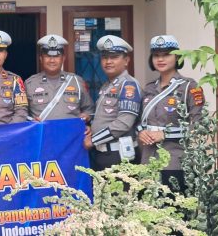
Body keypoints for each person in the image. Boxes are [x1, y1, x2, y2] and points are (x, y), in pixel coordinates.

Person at [138, 35, 204, 191]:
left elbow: (199, 125)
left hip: (175, 161)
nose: (160, 59)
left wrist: (165, 134)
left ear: (177, 57)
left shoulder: (189, 87)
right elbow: (140, 122)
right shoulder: (149, 88)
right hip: (148, 160)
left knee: (174, 209)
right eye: (156, 55)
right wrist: (141, 133)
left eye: (166, 54)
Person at [85, 35, 141, 170]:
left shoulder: (129, 85)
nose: (108, 61)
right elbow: (105, 118)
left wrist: (93, 140)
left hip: (119, 156)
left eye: (114, 57)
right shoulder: (107, 85)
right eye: (104, 57)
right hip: (103, 153)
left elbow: (123, 123)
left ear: (126, 60)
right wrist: (91, 129)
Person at [25, 34, 95, 121]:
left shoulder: (76, 81)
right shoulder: (30, 84)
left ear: (63, 59)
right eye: (47, 56)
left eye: (56, 56)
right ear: (41, 59)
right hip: (43, 134)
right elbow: (22, 113)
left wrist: (87, 117)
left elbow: (89, 109)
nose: (52, 60)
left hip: (70, 133)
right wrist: (31, 121)